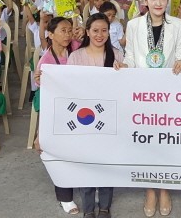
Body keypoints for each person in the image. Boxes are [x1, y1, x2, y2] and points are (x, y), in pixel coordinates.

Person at [124, 0, 181, 217]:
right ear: (145, 2)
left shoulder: (178, 25)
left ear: (167, 1)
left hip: (170, 90)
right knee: (147, 139)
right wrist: (124, 65)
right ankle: (150, 188)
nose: (158, 3)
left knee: (167, 139)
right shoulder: (133, 25)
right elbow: (130, 56)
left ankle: (165, 187)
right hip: (143, 91)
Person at [68, 14, 123, 217]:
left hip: (109, 118)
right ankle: (89, 208)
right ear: (87, 32)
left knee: (107, 163)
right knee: (87, 163)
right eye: (95, 30)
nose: (100, 35)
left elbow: (125, 87)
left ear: (109, 32)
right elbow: (67, 86)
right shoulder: (76, 56)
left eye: (104, 30)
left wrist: (124, 71)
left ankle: (105, 206)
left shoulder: (117, 55)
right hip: (84, 118)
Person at [35, 16, 81, 215]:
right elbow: (43, 96)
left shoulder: (77, 48)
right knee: (60, 154)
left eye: (69, 30)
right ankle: (65, 197)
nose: (68, 34)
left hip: (80, 109)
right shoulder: (45, 61)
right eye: (63, 30)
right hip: (58, 113)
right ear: (50, 35)